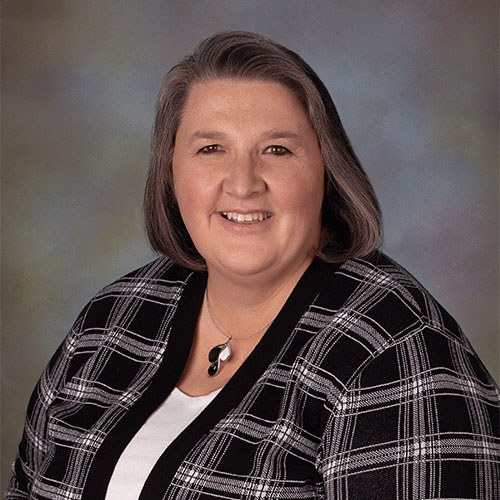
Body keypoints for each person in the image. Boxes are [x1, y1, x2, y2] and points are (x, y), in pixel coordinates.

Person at [5, 31, 499, 500]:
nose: (242, 183)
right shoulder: (114, 319)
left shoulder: (395, 352)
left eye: (276, 150)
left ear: (327, 172)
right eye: (211, 149)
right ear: (170, 169)